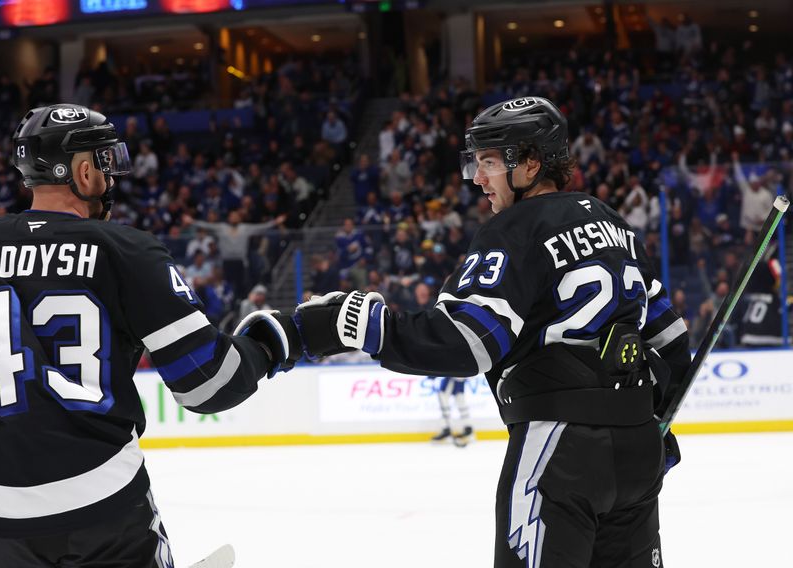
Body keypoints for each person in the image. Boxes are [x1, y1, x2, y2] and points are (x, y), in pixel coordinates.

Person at [273, 97, 689, 567]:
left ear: (531, 163)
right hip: (638, 451)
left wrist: (357, 325)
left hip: (560, 454)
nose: (476, 178)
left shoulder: (514, 228)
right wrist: (649, 424)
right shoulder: (615, 224)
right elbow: (671, 341)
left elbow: (467, 341)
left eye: (488, 163)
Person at [0, 104, 296, 567]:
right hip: (104, 505)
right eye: (105, 161)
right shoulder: (125, 250)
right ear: (82, 169)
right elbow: (209, 385)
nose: (111, 176)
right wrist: (278, 341)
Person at [430, 376, 474, 447]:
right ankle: (468, 430)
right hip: (458, 374)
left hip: (453, 375)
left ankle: (448, 430)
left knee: (445, 400)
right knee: (460, 401)